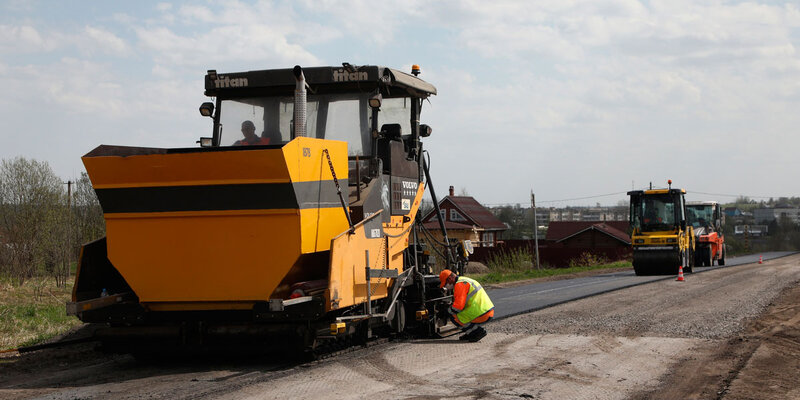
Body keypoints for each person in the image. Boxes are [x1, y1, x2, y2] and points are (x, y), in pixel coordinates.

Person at [439, 269, 495, 342]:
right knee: (456, 314)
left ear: (450, 278)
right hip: (486, 310)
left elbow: (457, 308)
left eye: (446, 283)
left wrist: (446, 311)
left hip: (481, 313)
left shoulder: (459, 285)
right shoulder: (464, 280)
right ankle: (471, 333)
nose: (446, 286)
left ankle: (477, 332)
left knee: (454, 317)